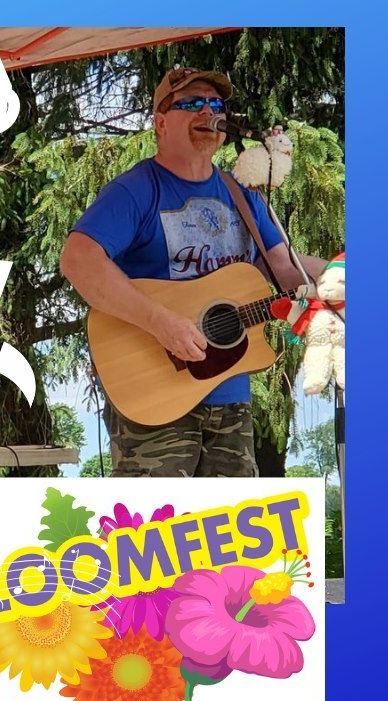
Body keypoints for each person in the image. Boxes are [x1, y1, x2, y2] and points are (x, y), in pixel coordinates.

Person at [60, 67, 325, 477]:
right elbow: (78, 260)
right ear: (161, 123)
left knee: (230, 518)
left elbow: (284, 268)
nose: (208, 111)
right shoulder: (136, 190)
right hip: (153, 391)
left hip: (230, 392)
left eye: (215, 104)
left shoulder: (242, 194)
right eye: (192, 103)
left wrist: (347, 273)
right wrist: (161, 322)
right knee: (154, 516)